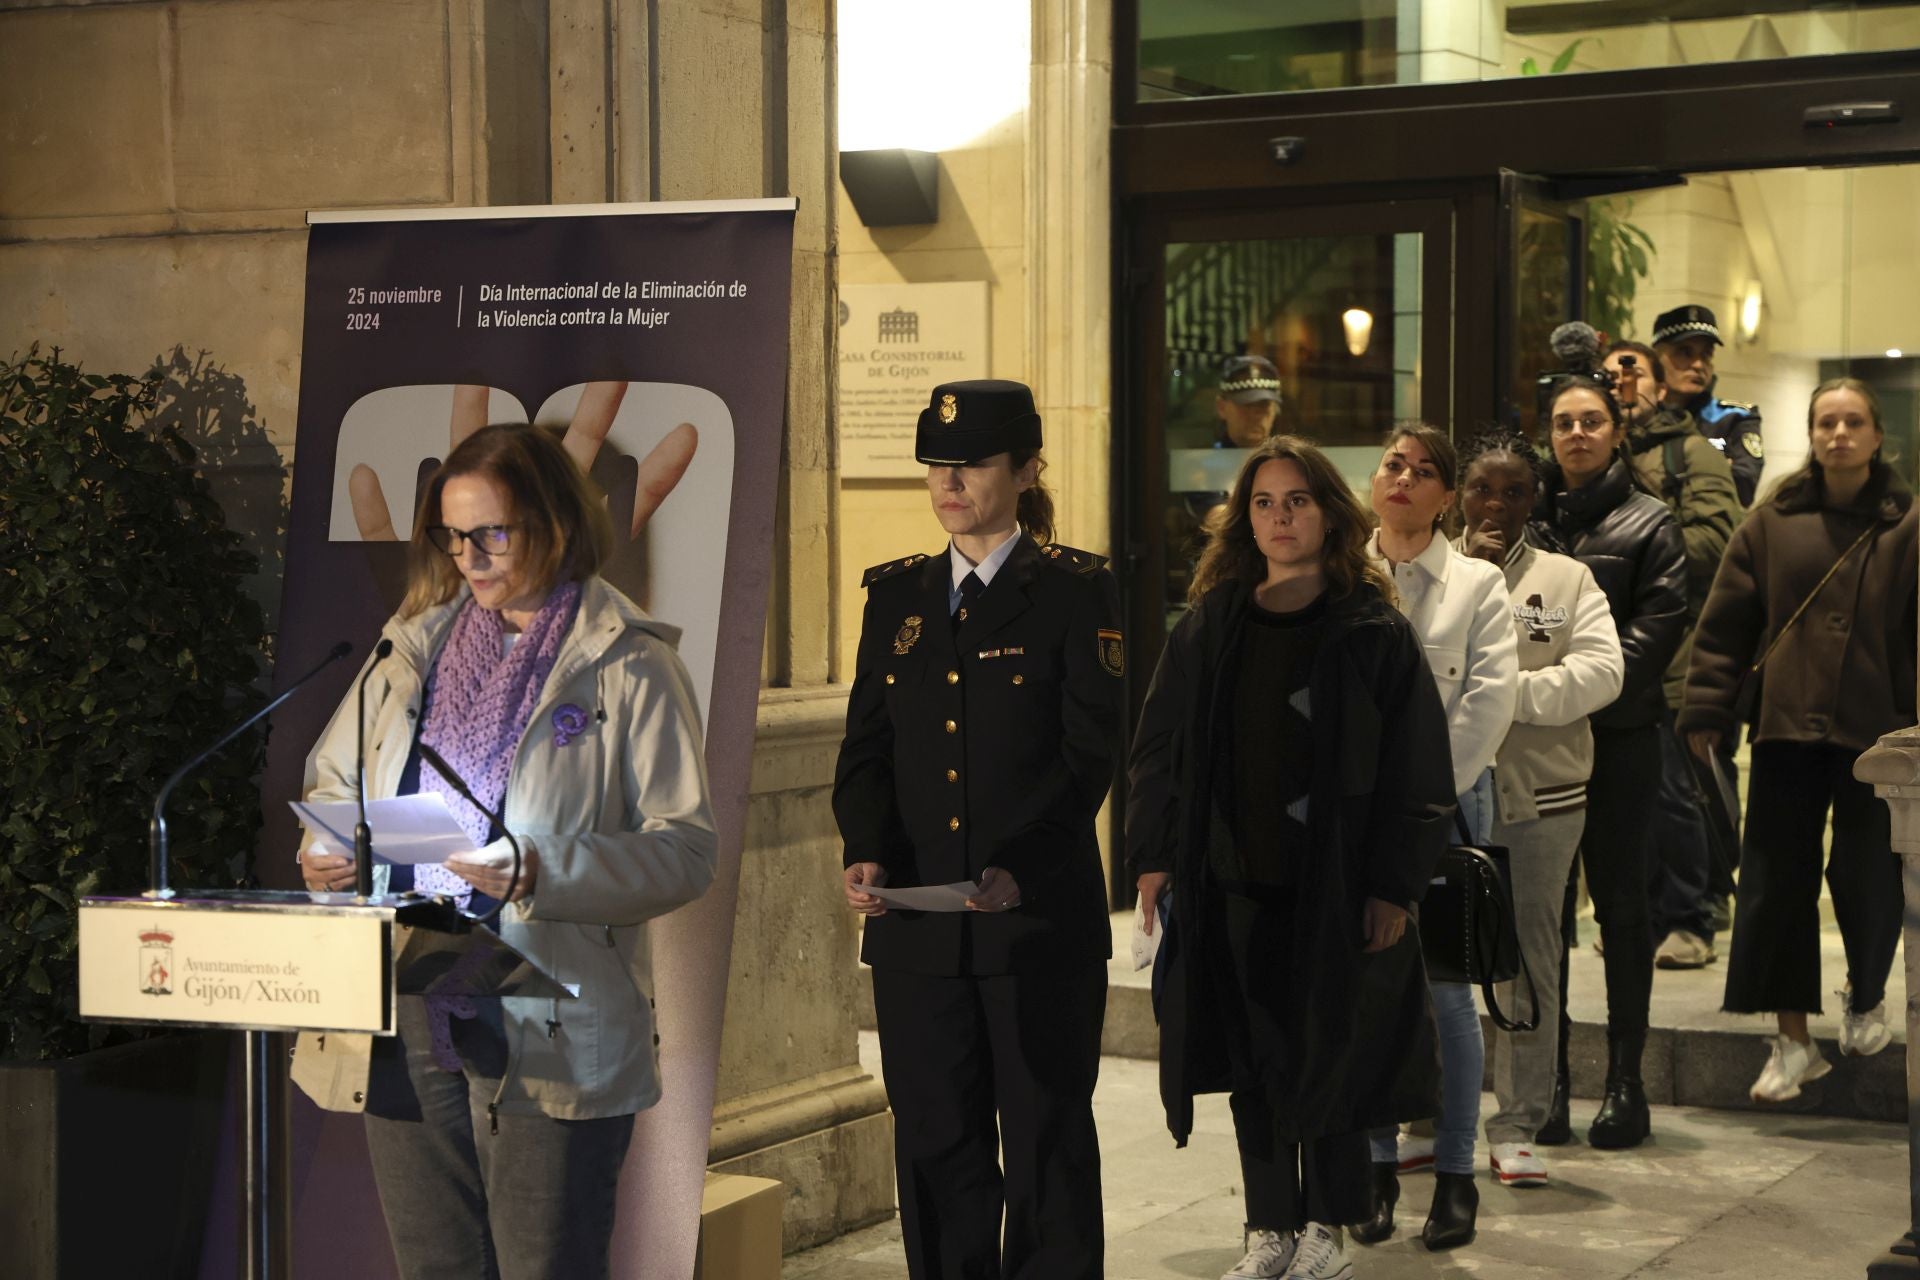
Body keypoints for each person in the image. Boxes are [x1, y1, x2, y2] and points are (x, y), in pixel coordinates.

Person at [293, 423, 719, 1279]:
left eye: (492, 533)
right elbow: (335, 779)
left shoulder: (629, 664)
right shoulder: (407, 645)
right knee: (436, 1265)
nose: (469, 557)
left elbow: (684, 852)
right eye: (453, 536)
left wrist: (536, 865)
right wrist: (327, 849)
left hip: (548, 994)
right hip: (409, 983)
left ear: (554, 522)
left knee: (542, 1264)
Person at [1128, 435, 1454, 1280]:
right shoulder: (1211, 624)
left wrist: (1393, 886)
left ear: (1329, 514)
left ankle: (1327, 1228)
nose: (1280, 518)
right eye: (1264, 503)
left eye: (1298, 501)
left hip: (1337, 886)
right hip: (1233, 882)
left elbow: (1417, 771)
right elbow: (1159, 748)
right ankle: (1268, 1226)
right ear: (1245, 519)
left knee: (1331, 1057)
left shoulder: (1371, 630)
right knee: (1252, 1059)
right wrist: (1154, 860)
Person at [834, 379, 1123, 1280]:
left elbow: (1089, 755)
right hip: (918, 928)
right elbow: (866, 748)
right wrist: (864, 846)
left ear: (1028, 468)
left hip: (1033, 923)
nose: (950, 481)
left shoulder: (1076, 590)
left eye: (973, 464)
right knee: (935, 1145)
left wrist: (1017, 869)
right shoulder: (899, 597)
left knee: (1045, 1145)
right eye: (937, 465)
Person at [1681, 377, 1917, 1102]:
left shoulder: (1908, 523)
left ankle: (1868, 993)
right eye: (1825, 422)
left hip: (1882, 732)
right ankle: (1790, 1040)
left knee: (1870, 871)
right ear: (1811, 434)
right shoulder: (1771, 520)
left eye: (1852, 422)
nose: (1838, 434)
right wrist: (1706, 710)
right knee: (1776, 882)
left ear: (1878, 436)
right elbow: (1725, 627)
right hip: (1788, 725)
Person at [1354, 424, 1517, 1251]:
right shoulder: (1343, 575)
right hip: (1353, 820)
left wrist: (1412, 803)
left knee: (1449, 1000)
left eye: (1424, 473)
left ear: (1447, 497)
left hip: (1448, 812)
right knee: (1371, 995)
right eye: (1394, 465)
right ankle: (1377, 1171)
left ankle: (1455, 1178)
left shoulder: (1478, 585)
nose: (1405, 480)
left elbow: (1487, 708)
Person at [1455, 428, 1624, 1189]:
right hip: (1444, 796)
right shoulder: (1428, 568)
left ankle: (1518, 1122)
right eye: (1483, 488)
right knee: (1430, 960)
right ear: (1459, 493)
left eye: (1515, 491)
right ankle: (1433, 1113)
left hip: (1540, 800)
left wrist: (1503, 695)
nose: (1496, 504)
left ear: (1536, 501)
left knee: (1529, 961)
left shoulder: (1566, 579)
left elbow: (1600, 673)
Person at [1536, 375, 1688, 1150]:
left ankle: (1626, 1084)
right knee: (1546, 915)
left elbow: (1660, 624)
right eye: (1564, 422)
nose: (1578, 433)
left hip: (1622, 740)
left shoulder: (1650, 523)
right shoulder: (1528, 521)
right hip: (1541, 749)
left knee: (1625, 910)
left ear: (1616, 431)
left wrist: (1573, 689)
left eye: (1591, 420)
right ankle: (1551, 1083)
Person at [1604, 340, 1741, 968]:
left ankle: (1690, 917)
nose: (1621, 385)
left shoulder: (1691, 452)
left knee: (1676, 790)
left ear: (1658, 385)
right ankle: (1637, 913)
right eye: (1608, 377)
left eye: (1633, 373)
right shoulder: (1589, 453)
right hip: (1604, 653)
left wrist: (1635, 549)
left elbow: (1718, 542)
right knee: (1620, 795)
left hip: (1679, 651)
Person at [1653, 304, 1764, 505]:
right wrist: (1717, 469)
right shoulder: (1641, 416)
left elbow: (1744, 486)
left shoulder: (1735, 417)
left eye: (1706, 355)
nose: (1698, 365)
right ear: (1657, 358)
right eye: (1685, 353)